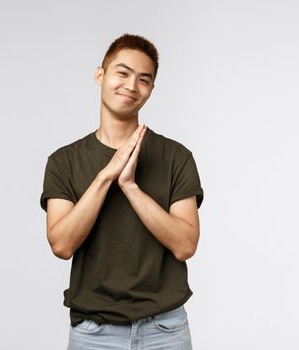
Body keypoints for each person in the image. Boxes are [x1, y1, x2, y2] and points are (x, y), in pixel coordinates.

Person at [40, 33, 204, 350]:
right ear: (100, 74)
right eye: (123, 73)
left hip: (165, 330)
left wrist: (130, 187)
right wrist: (105, 177)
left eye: (144, 80)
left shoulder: (175, 157)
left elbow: (185, 245)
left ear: (151, 90)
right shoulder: (64, 161)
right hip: (94, 333)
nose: (131, 86)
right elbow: (61, 245)